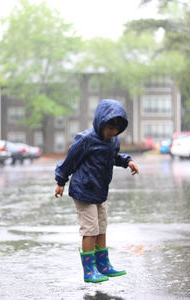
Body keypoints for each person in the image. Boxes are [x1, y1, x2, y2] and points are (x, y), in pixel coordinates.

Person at [55, 99, 139, 283]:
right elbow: (70, 160)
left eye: (116, 129)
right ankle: (89, 269)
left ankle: (103, 265)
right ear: (100, 122)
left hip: (100, 191)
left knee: (101, 228)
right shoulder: (85, 139)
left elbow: (114, 157)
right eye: (109, 128)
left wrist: (127, 161)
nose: (112, 132)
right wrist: (60, 181)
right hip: (83, 191)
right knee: (90, 230)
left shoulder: (113, 140)